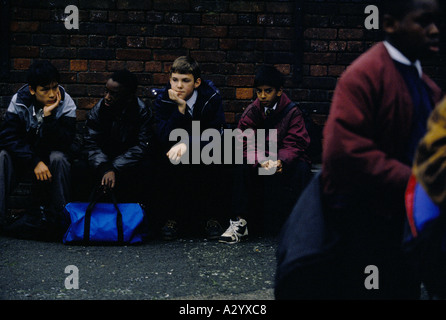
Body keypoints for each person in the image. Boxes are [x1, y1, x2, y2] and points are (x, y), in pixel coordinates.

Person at [315, 0, 444, 299]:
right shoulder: (365, 75)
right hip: (366, 228)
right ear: (389, 25)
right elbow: (344, 153)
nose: (435, 30)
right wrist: (416, 183)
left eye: (437, 21)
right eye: (424, 22)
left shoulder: (427, 86)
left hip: (403, 226)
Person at [219, 65, 312, 244]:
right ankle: (240, 223)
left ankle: (302, 225)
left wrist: (280, 161)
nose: (262, 96)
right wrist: (260, 160)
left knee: (302, 168)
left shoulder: (292, 112)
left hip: (283, 160)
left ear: (279, 91)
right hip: (262, 160)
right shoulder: (252, 111)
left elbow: (295, 143)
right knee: (241, 165)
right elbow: (244, 142)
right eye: (259, 91)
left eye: (268, 91)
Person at [0, 60, 77, 239]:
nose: (52, 94)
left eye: (55, 87)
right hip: (25, 158)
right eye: (45, 89)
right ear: (32, 90)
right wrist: (34, 161)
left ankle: (62, 221)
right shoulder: (19, 101)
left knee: (59, 158)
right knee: (2, 156)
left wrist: (49, 117)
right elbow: (8, 137)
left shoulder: (66, 102)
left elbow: (66, 142)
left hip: (50, 157)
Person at [153, 56, 226, 240]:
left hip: (204, 150)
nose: (179, 86)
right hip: (174, 151)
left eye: (185, 81)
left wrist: (188, 143)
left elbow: (216, 134)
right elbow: (163, 136)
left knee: (215, 158)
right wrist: (180, 108)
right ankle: (172, 219)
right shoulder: (163, 99)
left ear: (197, 82)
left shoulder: (211, 97)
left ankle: (211, 218)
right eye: (175, 80)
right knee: (166, 160)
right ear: (169, 80)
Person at [83, 69, 154, 207]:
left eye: (114, 94)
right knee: (81, 168)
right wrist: (105, 167)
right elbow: (90, 143)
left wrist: (114, 168)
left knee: (147, 169)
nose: (107, 97)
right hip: (104, 161)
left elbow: (142, 146)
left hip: (128, 163)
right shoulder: (98, 111)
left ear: (128, 96)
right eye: (106, 91)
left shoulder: (141, 111)